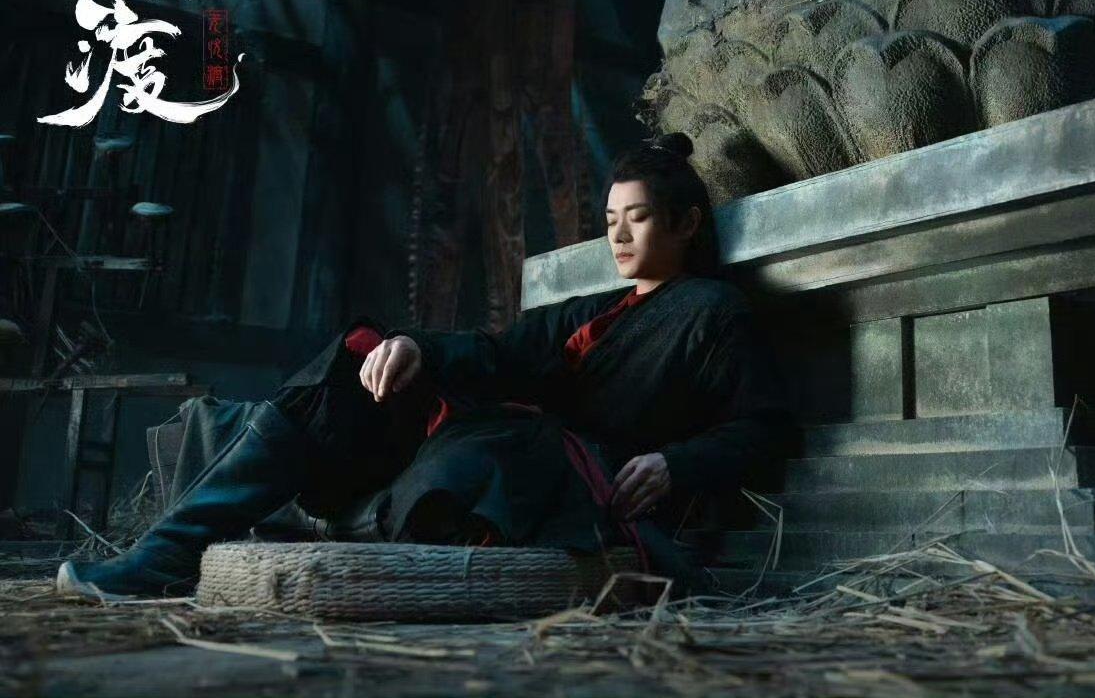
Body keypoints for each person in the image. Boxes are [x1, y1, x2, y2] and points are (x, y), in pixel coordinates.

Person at [57, 133, 792, 600]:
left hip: (571, 472)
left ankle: (302, 514)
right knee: (347, 370)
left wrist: (676, 464)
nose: (619, 236)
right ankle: (166, 555)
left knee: (474, 462)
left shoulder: (713, 312)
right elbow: (502, 353)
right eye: (610, 221)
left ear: (687, 222)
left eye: (637, 217)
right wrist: (417, 348)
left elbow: (763, 427)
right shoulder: (590, 310)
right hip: (509, 434)